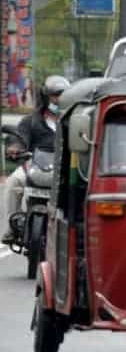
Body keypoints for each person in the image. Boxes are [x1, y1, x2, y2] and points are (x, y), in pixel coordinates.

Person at [2, 75, 70, 244]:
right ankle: (12, 227)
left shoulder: (72, 121)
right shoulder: (31, 121)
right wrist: (15, 148)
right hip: (35, 165)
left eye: (62, 95)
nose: (58, 99)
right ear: (46, 97)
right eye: (55, 95)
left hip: (65, 168)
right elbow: (20, 138)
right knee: (14, 181)